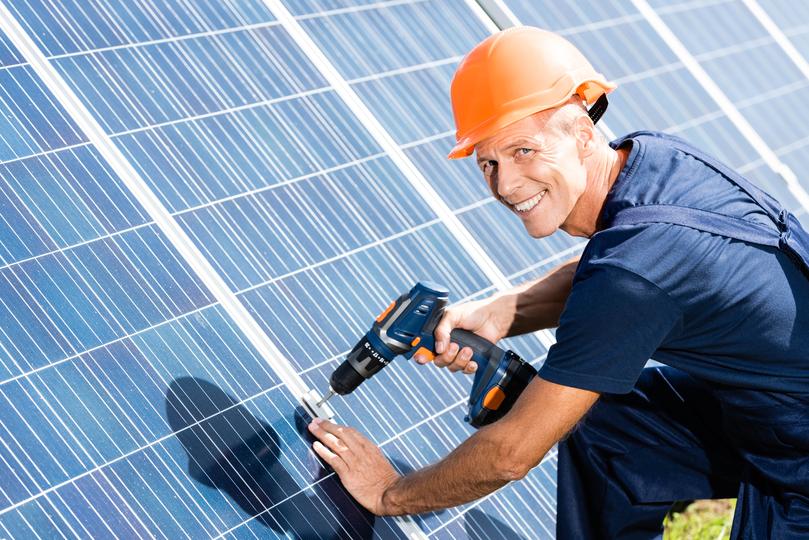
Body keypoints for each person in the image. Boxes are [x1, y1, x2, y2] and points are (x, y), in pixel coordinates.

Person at [307, 26, 809, 539]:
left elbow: (510, 455)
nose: (505, 185)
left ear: (583, 133)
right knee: (599, 422)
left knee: (546, 413)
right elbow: (626, 269)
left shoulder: (631, 277)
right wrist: (506, 311)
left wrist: (389, 493)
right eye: (489, 163)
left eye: (524, 151)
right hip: (771, 416)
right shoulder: (653, 161)